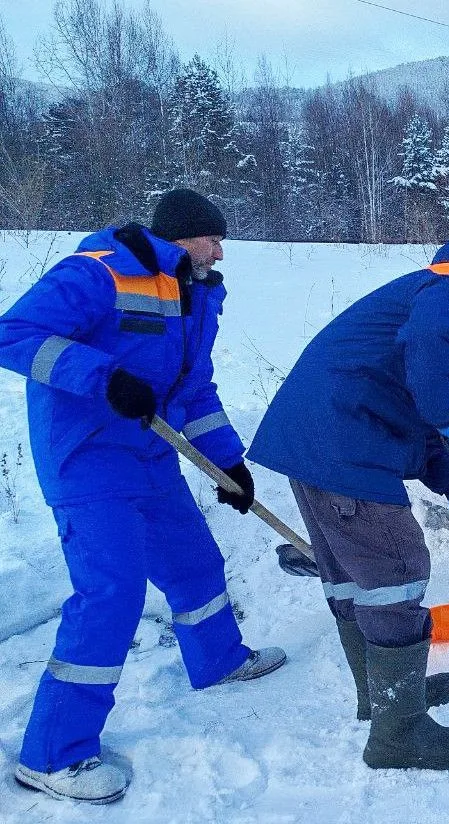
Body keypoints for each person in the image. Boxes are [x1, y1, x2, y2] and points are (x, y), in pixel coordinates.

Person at [0, 189, 285, 805]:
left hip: (153, 456)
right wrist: (102, 376)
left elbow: (196, 388)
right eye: (212, 237)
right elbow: (13, 334)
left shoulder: (196, 295)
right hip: (88, 459)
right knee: (112, 593)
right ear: (182, 236)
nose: (220, 249)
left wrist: (228, 462)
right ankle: (53, 754)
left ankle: (218, 660)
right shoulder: (97, 272)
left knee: (195, 564)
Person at [246, 232, 449, 772]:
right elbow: (432, 371)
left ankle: (382, 697)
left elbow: (415, 413)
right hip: (345, 442)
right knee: (396, 571)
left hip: (323, 438)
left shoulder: (436, 285)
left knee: (351, 574)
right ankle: (399, 733)